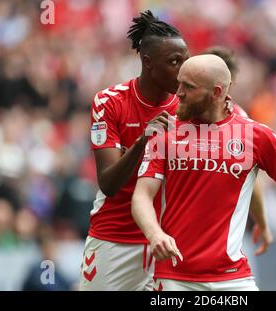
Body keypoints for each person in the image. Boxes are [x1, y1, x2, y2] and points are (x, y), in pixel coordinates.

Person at [131, 55, 276, 291]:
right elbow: (141, 195)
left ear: (217, 92)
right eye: (179, 83)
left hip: (232, 279)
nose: (178, 93)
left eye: (188, 87)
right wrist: (154, 233)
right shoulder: (164, 133)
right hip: (174, 278)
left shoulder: (256, 136)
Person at [80, 10, 189, 291]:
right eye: (175, 62)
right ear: (147, 62)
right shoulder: (110, 102)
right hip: (115, 239)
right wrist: (143, 142)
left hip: (168, 241)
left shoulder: (189, 108)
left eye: (185, 61)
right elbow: (108, 183)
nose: (183, 70)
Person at [204, 46, 273, 259]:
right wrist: (262, 223)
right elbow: (249, 181)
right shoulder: (240, 123)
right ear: (231, 81)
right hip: (223, 238)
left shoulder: (175, 115)